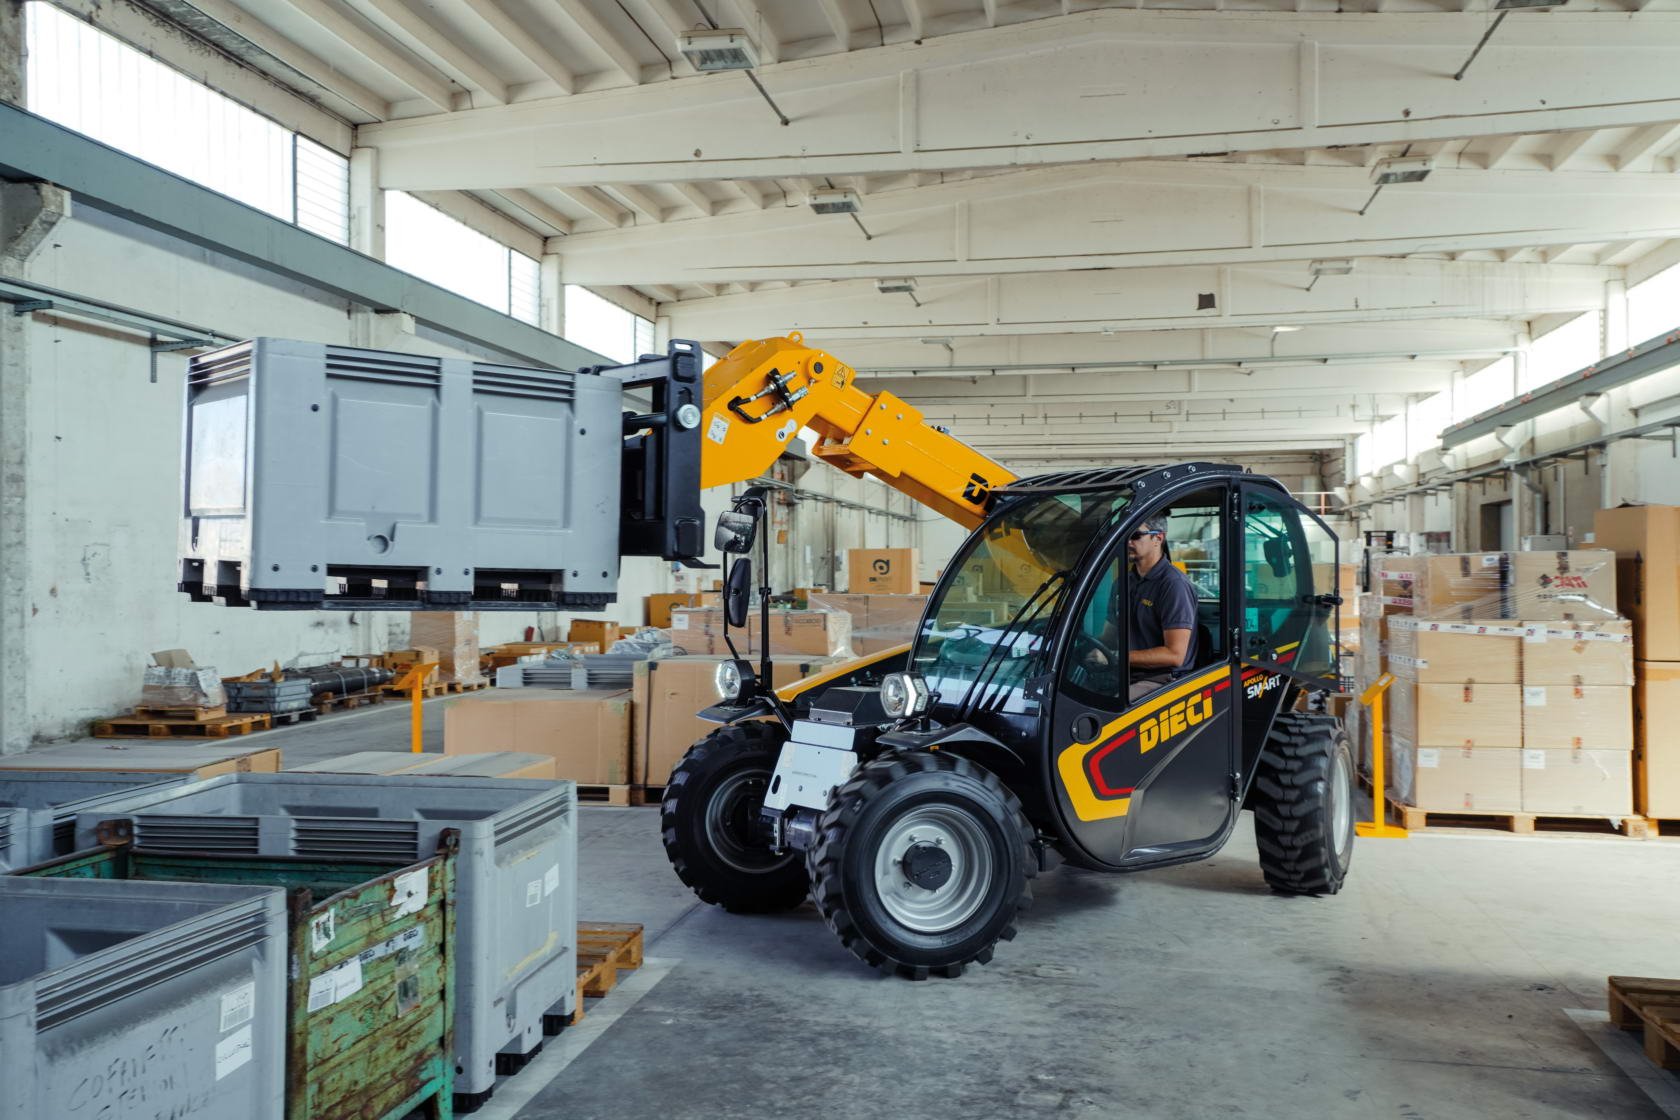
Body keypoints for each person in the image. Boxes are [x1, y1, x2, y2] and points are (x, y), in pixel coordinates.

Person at [1087, 515, 1200, 702]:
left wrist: (1115, 657)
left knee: (1113, 716)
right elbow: (1109, 637)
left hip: (1161, 679)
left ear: (1158, 539)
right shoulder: (1123, 583)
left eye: (1135, 535)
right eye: (1125, 536)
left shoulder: (1173, 584)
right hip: (1125, 672)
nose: (1128, 542)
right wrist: (1085, 649)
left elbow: (1175, 655)